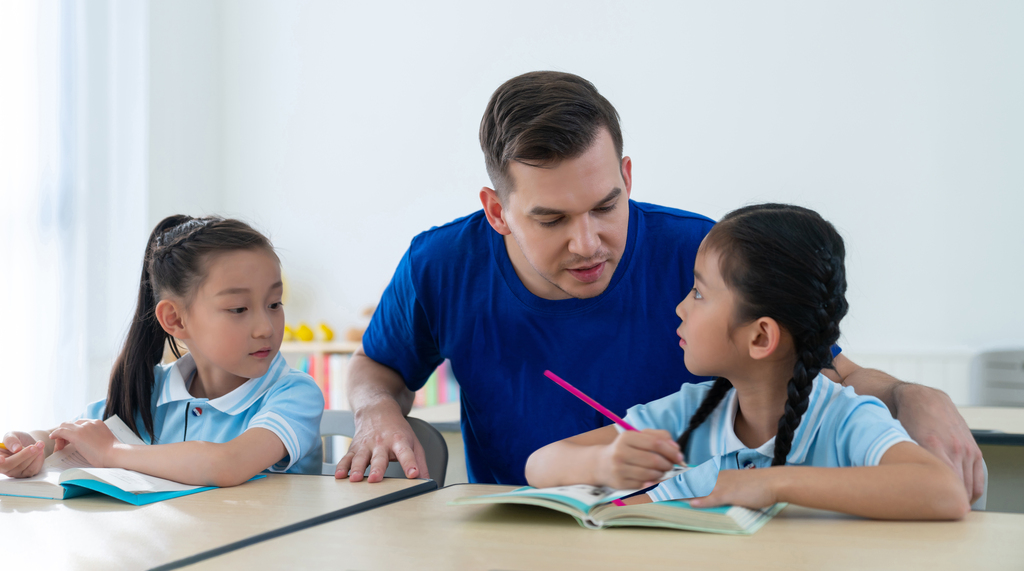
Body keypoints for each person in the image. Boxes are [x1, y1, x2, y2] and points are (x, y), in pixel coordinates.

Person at [337, 71, 982, 500]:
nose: (588, 242)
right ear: (497, 210)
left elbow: (814, 364)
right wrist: (375, 409)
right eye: (552, 219)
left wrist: (907, 393)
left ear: (625, 174)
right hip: (525, 537)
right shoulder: (439, 263)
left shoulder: (703, 252)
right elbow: (379, 369)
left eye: (606, 205)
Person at [525, 204, 970, 520]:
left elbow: (943, 492)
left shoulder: (844, 418)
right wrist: (604, 466)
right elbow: (541, 464)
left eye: (698, 293)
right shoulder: (689, 414)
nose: (680, 308)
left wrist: (773, 485)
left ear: (760, 336)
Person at [0, 215, 324, 486]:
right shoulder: (147, 389)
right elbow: (76, 437)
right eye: (239, 309)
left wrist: (113, 451)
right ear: (175, 319)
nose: (266, 327)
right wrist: (29, 446)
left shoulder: (294, 393)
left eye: (274, 304)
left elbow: (228, 464)